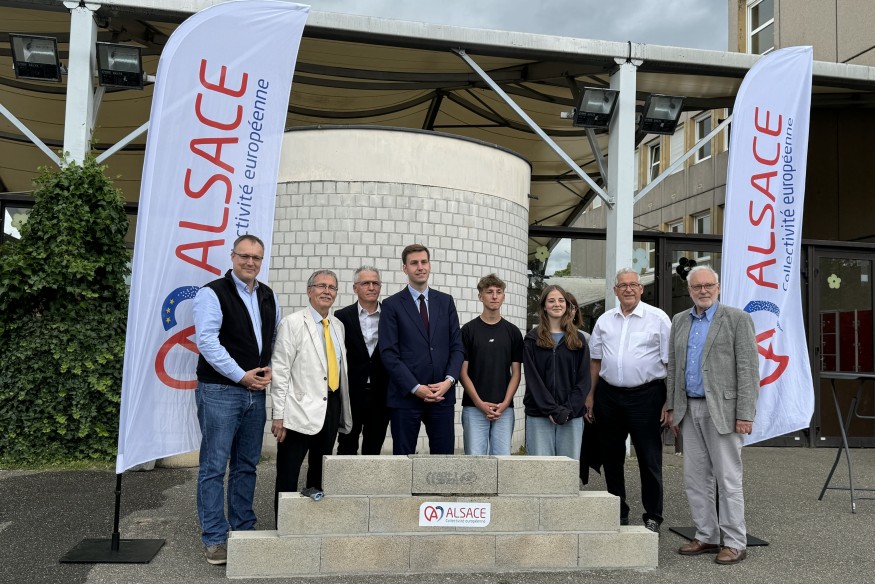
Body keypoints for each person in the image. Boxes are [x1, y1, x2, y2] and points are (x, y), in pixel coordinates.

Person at [192, 234, 280, 565]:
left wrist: (268, 370)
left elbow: (273, 338)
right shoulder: (212, 293)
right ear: (232, 257)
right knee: (214, 466)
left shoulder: (269, 295)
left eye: (256, 257)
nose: (250, 262)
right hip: (220, 390)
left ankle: (243, 529)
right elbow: (207, 342)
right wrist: (241, 375)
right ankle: (215, 538)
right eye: (244, 256)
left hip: (255, 392)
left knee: (246, 465)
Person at [666, 265, 759, 565]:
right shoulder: (679, 320)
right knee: (695, 479)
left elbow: (748, 369)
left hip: (724, 412)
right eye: (697, 286)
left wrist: (745, 414)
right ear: (689, 290)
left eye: (708, 285)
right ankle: (706, 535)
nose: (703, 291)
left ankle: (735, 542)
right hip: (688, 408)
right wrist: (672, 407)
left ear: (718, 287)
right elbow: (673, 367)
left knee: (727, 479)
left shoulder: (737, 319)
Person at [586, 268, 671, 533]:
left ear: (641, 289)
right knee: (612, 458)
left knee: (649, 458)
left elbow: (671, 362)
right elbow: (595, 361)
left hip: (647, 396)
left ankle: (653, 515)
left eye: (633, 284)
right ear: (615, 290)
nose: (628, 289)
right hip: (609, 396)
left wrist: (668, 402)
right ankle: (618, 511)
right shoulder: (604, 320)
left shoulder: (658, 318)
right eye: (623, 285)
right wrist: (591, 395)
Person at [271, 269, 352, 516]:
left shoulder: (337, 326)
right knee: (289, 472)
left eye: (332, 287)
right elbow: (281, 370)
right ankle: (284, 522)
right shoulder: (292, 323)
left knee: (319, 471)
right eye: (321, 286)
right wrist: (278, 415)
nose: (327, 291)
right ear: (309, 291)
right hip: (298, 409)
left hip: (331, 405)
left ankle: (310, 522)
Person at [379, 243, 464, 455]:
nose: (420, 267)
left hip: (442, 395)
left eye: (424, 262)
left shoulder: (445, 302)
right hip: (406, 397)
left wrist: (449, 381)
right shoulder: (391, 305)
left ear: (430, 265)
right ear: (405, 268)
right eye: (414, 263)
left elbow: (457, 347)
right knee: (403, 461)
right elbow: (389, 354)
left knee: (443, 461)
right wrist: (415, 387)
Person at [459, 274, 524, 455]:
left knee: (502, 462)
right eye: (489, 292)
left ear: (503, 296)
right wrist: (479, 403)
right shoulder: (468, 331)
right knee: (476, 463)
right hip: (474, 408)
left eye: (499, 292)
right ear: (480, 296)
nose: (494, 296)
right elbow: (462, 373)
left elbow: (516, 373)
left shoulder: (513, 332)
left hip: (504, 410)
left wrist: (505, 403)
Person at [523, 284, 590, 459]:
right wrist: (552, 410)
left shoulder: (579, 340)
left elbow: (584, 380)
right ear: (544, 306)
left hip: (571, 416)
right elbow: (533, 381)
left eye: (561, 300)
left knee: (568, 469)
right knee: (541, 469)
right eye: (551, 301)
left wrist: (566, 410)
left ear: (567, 305)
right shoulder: (532, 339)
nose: (557, 304)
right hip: (539, 415)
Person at [334, 266, 391, 455]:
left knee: (373, 448)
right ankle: (343, 476)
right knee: (346, 446)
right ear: (355, 288)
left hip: (381, 393)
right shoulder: (342, 316)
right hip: (351, 394)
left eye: (375, 283)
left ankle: (370, 477)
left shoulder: (391, 315)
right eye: (366, 283)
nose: (371, 287)